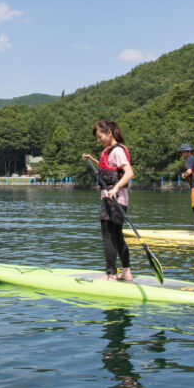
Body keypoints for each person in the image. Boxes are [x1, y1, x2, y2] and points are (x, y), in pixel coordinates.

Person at [82, 120, 135, 282]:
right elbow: (109, 169)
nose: (99, 141)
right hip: (118, 199)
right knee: (117, 235)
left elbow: (129, 173)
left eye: (100, 137)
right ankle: (126, 272)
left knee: (108, 236)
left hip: (113, 198)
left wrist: (115, 188)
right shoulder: (110, 151)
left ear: (109, 133)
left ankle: (111, 274)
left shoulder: (117, 150)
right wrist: (92, 159)